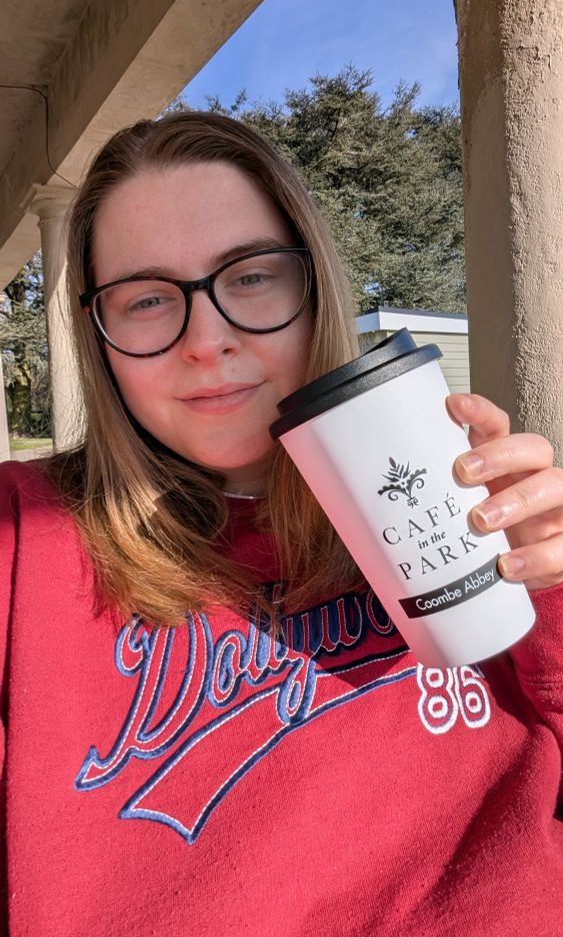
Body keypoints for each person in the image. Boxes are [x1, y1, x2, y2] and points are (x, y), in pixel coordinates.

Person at [1, 111, 562, 937]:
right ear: (98, 334)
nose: (208, 339)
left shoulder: (464, 502)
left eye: (252, 276)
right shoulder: (24, 536)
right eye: (149, 298)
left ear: (313, 285)